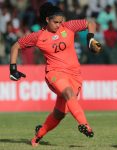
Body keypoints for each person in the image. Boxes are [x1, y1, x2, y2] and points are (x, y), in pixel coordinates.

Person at [9, 2, 101, 147]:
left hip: (74, 75)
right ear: (47, 20)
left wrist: (90, 38)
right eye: (55, 22)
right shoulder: (38, 36)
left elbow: (90, 22)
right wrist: (13, 69)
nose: (59, 25)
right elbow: (16, 46)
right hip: (54, 74)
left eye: (60, 21)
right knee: (69, 93)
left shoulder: (68, 27)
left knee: (59, 115)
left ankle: (37, 136)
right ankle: (84, 125)